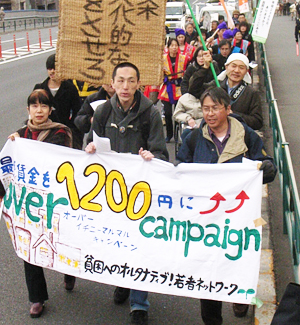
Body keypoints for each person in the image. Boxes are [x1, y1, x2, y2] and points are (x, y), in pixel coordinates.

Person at [177, 86, 277, 325]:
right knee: (207, 270)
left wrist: (265, 168)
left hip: (238, 219)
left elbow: (267, 165)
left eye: (215, 108)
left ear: (228, 109)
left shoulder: (247, 135)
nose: (210, 114)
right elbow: (180, 168)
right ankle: (212, 319)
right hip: (205, 221)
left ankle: (240, 295)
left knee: (236, 261)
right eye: (205, 109)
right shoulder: (192, 138)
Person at [85, 62, 168, 325]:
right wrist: (89, 148)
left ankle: (139, 302)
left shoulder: (150, 113)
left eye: (131, 81)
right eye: (120, 80)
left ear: (138, 84)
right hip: (109, 191)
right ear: (112, 83)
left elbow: (162, 153)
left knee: (138, 245)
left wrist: (151, 155)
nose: (125, 86)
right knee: (116, 242)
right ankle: (122, 281)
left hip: (138, 192)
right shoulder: (102, 112)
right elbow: (91, 142)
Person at [7, 89, 74, 318]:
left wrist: (21, 146)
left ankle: (69, 271)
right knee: (29, 247)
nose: (39, 110)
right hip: (30, 205)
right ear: (28, 110)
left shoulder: (60, 132)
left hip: (56, 202)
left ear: (50, 110)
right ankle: (37, 298)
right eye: (34, 106)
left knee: (61, 242)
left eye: (44, 106)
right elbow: (7, 168)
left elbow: (58, 160)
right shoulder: (19, 135)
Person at [188, 52, 263, 130]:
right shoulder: (216, 86)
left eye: (241, 67)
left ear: (246, 71)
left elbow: (257, 122)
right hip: (213, 133)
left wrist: (233, 115)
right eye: (233, 66)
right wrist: (205, 68)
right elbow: (194, 90)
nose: (237, 70)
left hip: (238, 136)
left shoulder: (251, 93)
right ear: (226, 67)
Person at [34, 54, 83, 149]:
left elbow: (77, 112)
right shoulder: (39, 88)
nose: (52, 71)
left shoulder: (70, 89)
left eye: (55, 68)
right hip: (43, 132)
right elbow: (33, 111)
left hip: (64, 133)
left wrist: (70, 131)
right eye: (49, 68)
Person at [158, 38, 188, 142]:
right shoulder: (163, 59)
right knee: (167, 113)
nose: (174, 47)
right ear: (168, 47)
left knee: (177, 113)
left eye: (176, 45)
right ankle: (169, 134)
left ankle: (177, 134)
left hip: (179, 88)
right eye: (172, 45)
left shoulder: (183, 58)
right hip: (168, 88)